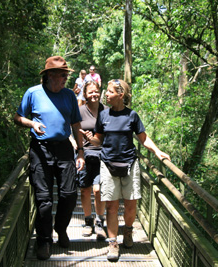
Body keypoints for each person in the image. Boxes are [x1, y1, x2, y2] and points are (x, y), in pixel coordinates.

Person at [80, 79, 170, 262]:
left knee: (130, 204)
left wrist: (158, 151)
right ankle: (112, 243)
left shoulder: (132, 116)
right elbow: (100, 140)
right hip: (107, 164)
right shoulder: (103, 116)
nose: (106, 94)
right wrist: (90, 139)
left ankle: (127, 232)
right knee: (112, 206)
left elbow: (143, 139)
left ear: (120, 95)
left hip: (129, 164)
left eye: (110, 92)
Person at [13, 56, 85, 261]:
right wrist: (31, 124)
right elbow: (17, 117)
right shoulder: (33, 93)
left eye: (66, 75)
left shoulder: (69, 95)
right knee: (43, 199)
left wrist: (80, 151)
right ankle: (44, 241)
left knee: (70, 194)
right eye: (62, 75)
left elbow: (76, 125)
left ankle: (60, 229)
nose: (65, 79)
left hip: (64, 148)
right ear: (49, 76)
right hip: (40, 149)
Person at [77, 81, 108, 240]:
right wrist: (78, 149)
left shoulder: (107, 111)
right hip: (84, 155)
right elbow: (70, 131)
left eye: (96, 91)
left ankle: (99, 222)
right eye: (90, 92)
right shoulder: (79, 111)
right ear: (85, 94)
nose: (94, 94)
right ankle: (88, 222)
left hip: (103, 155)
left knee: (99, 189)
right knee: (85, 190)